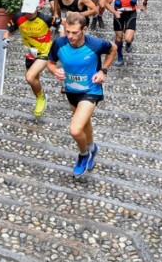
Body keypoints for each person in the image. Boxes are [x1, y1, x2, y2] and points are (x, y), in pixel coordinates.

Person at [47, 12, 115, 176]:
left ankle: (84, 154)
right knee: (84, 123)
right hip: (71, 91)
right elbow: (50, 63)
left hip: (91, 90)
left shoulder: (95, 44)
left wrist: (103, 70)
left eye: (75, 32)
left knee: (75, 130)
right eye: (68, 31)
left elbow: (113, 49)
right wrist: (55, 71)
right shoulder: (59, 44)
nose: (70, 36)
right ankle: (93, 148)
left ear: (84, 29)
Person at [2, 0, 54, 117]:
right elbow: (8, 31)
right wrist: (5, 39)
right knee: (33, 80)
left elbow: (62, 23)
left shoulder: (45, 19)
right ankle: (41, 97)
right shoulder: (18, 17)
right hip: (30, 54)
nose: (28, 14)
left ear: (38, 8)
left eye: (31, 11)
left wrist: (62, 40)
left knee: (29, 77)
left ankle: (41, 98)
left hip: (44, 52)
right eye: (26, 11)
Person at [105, 0, 149, 65]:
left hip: (131, 13)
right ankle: (119, 56)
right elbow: (106, 3)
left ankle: (129, 43)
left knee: (128, 38)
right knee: (119, 36)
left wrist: (144, 4)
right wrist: (114, 12)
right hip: (119, 13)